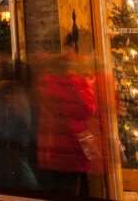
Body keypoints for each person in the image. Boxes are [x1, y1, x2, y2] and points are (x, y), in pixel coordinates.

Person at [36, 54, 97, 195]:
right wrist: (87, 84)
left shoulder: (44, 83)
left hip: (50, 149)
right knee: (72, 190)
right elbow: (87, 110)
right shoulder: (69, 83)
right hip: (69, 148)